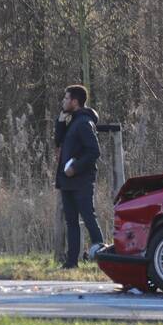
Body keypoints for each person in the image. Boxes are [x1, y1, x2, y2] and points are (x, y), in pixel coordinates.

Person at [54, 84, 104, 268]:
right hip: (68, 182)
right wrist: (60, 121)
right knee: (71, 222)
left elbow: (94, 151)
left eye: (66, 99)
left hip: (81, 181)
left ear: (75, 102)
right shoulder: (71, 121)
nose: (63, 101)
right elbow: (58, 142)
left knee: (89, 219)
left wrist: (75, 167)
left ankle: (103, 259)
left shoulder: (83, 123)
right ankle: (71, 262)